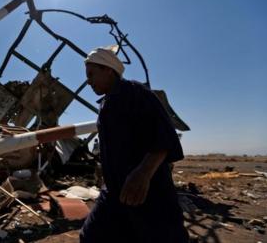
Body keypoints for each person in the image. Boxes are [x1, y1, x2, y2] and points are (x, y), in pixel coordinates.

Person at [80, 45, 189, 243]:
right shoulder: (106, 104)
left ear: (108, 70)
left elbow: (163, 136)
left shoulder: (136, 93)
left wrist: (143, 174)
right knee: (92, 236)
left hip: (148, 191)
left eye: (91, 74)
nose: (88, 82)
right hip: (114, 192)